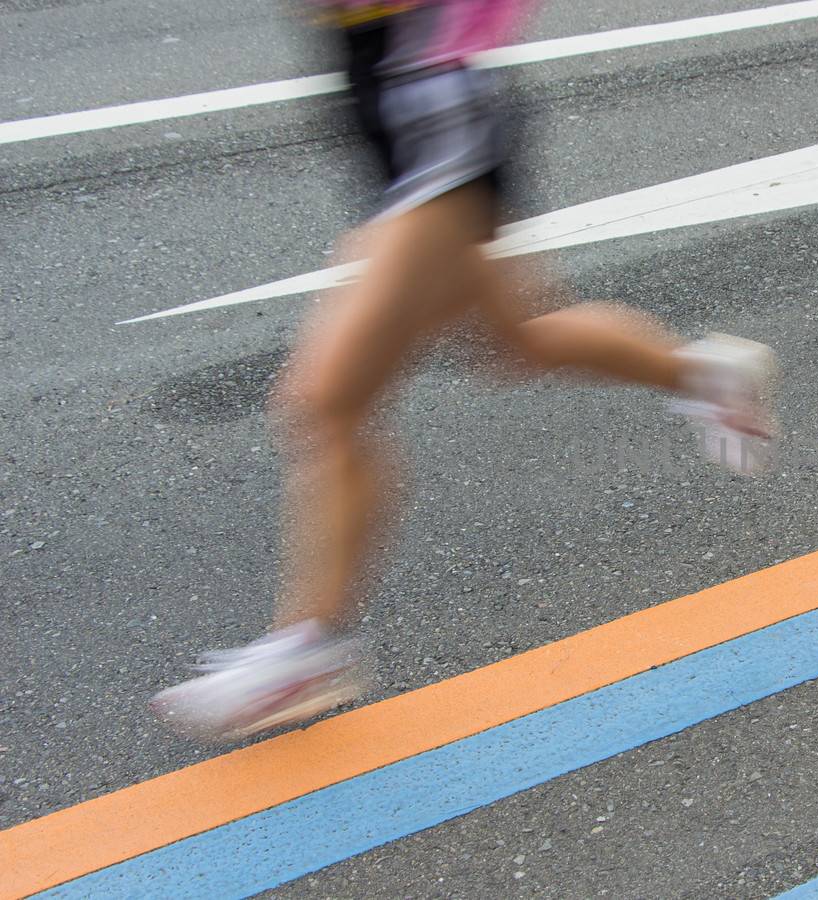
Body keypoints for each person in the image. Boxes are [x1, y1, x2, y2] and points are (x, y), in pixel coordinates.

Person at [151, 0, 777, 741]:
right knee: (514, 345)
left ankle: (306, 645)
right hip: (402, 126)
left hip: (439, 141)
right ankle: (703, 374)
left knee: (327, 403)